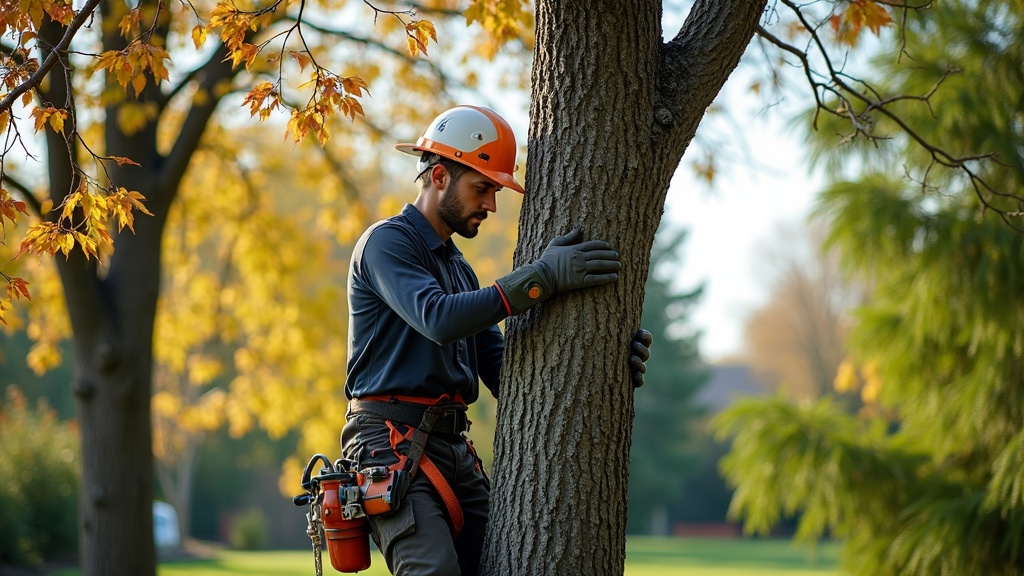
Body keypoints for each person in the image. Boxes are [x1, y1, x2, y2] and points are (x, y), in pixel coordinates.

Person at [341, 104, 653, 576]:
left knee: (512, 563)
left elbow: (508, 376)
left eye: (494, 192)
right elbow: (437, 318)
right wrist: (540, 278)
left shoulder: (459, 269)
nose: (490, 204)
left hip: (452, 448)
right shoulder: (387, 243)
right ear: (440, 176)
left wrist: (607, 360)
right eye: (482, 188)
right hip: (389, 444)